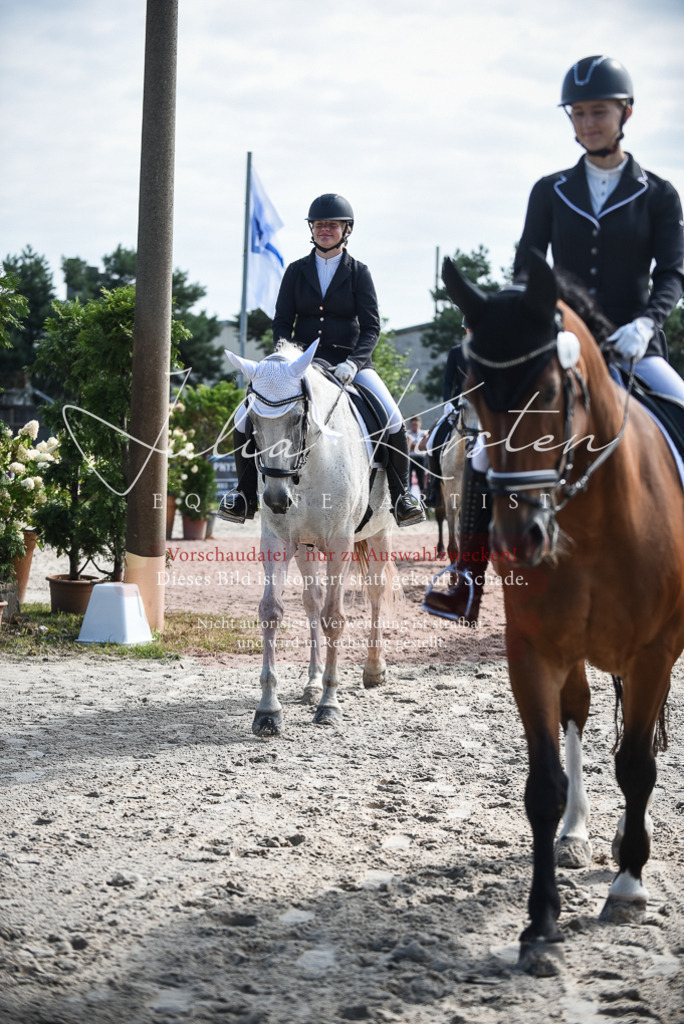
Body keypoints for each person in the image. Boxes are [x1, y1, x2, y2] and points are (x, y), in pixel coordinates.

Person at [424, 54, 684, 624]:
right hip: (561, 341)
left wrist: (647, 323)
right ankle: (466, 575)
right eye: (580, 112)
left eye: (600, 111)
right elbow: (526, 267)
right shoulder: (550, 190)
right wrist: (514, 320)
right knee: (485, 443)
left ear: (625, 113)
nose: (589, 122)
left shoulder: (659, 193)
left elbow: (672, 273)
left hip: (636, 344)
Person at [217, 193, 426, 527]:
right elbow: (282, 322)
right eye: (319, 225)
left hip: (350, 365)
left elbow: (372, 327)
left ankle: (403, 498)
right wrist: (286, 361)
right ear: (311, 230)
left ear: (347, 230)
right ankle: (243, 496)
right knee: (245, 414)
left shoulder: (359, 272)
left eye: (332, 225)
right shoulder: (296, 271)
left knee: (394, 418)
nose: (325, 230)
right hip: (301, 366)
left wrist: (355, 363)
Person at [406, 416, 428, 495]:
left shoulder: (424, 433)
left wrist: (412, 445)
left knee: (421, 480)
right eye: (413, 424)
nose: (414, 426)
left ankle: (423, 499)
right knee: (408, 480)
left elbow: (425, 446)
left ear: (420, 424)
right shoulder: (407, 433)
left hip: (421, 458)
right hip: (410, 458)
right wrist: (419, 446)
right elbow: (407, 447)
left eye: (416, 424)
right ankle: (408, 498)